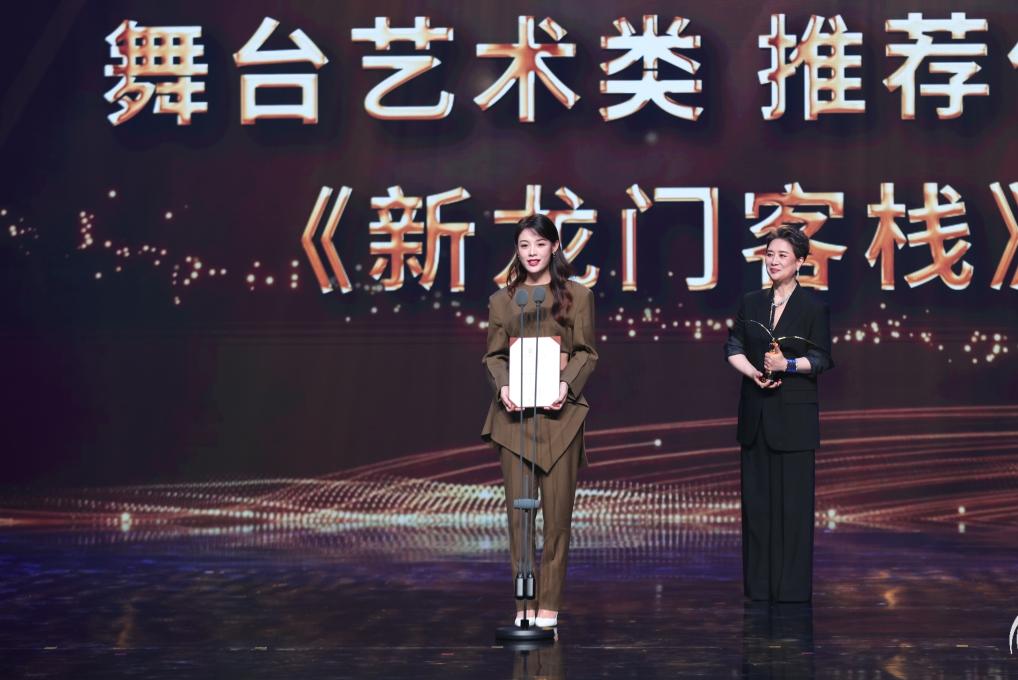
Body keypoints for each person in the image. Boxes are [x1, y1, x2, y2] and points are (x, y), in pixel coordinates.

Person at [481, 213, 597, 629]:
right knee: (520, 520)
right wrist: (503, 387)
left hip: (560, 419)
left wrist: (566, 384)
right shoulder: (502, 301)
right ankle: (523, 605)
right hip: (515, 421)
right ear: (517, 250)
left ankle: (548, 605)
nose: (532, 253)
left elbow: (586, 352)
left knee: (557, 519)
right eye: (524, 245)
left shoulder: (578, 296)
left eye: (540, 244)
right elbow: (494, 356)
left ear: (554, 247)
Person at [724, 223, 834, 602]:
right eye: (769, 254)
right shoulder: (752, 302)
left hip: (795, 421)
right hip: (756, 416)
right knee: (757, 509)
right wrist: (754, 371)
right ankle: (758, 589)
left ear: (799, 262)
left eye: (782, 255)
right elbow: (733, 346)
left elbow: (822, 359)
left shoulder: (813, 307)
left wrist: (787, 365)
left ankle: (791, 591)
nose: (773, 261)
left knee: (793, 511)